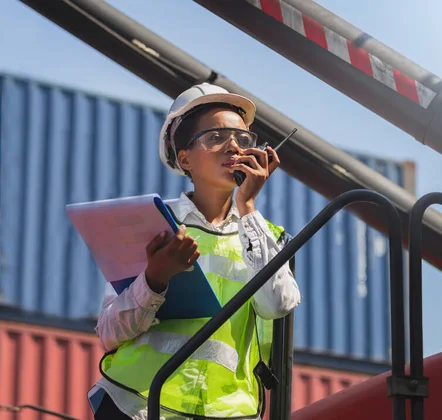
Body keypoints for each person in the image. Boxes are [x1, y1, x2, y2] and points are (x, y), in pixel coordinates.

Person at [87, 83, 302, 420]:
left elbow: (277, 305)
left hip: (228, 412)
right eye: (216, 136)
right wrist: (154, 279)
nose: (233, 145)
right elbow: (110, 333)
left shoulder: (265, 235)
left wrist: (247, 206)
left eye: (243, 139)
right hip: (139, 407)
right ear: (184, 158)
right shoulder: (152, 225)